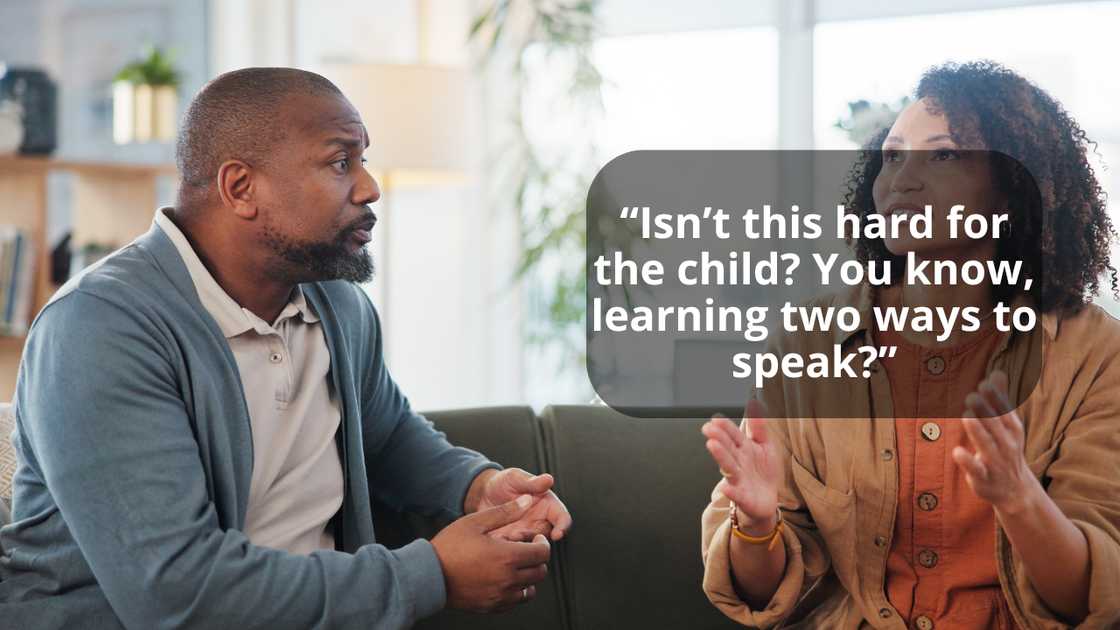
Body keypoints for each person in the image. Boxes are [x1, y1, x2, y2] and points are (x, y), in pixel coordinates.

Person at [0, 67, 572, 630]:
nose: (370, 187)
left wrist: (478, 487)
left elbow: (387, 434)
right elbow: (176, 593)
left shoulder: (338, 303)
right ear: (240, 188)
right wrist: (432, 575)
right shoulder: (100, 328)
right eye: (340, 162)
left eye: (363, 160)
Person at [700, 61, 1120, 629]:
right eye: (893, 156)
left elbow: (1092, 599)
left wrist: (1021, 499)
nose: (901, 180)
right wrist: (756, 525)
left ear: (1012, 187)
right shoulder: (808, 339)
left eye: (943, 155)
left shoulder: (1097, 354)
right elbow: (763, 593)